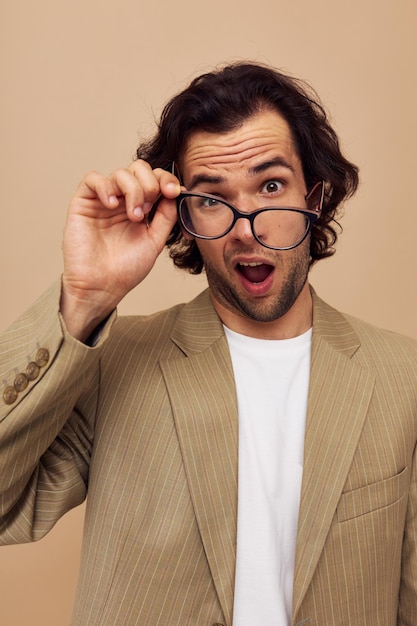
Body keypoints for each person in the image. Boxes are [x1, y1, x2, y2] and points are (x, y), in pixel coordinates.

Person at [0, 62, 416, 626]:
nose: (246, 227)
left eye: (271, 186)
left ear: (314, 198)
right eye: (214, 198)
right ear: (184, 217)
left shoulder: (402, 378)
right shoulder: (114, 362)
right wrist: (84, 298)